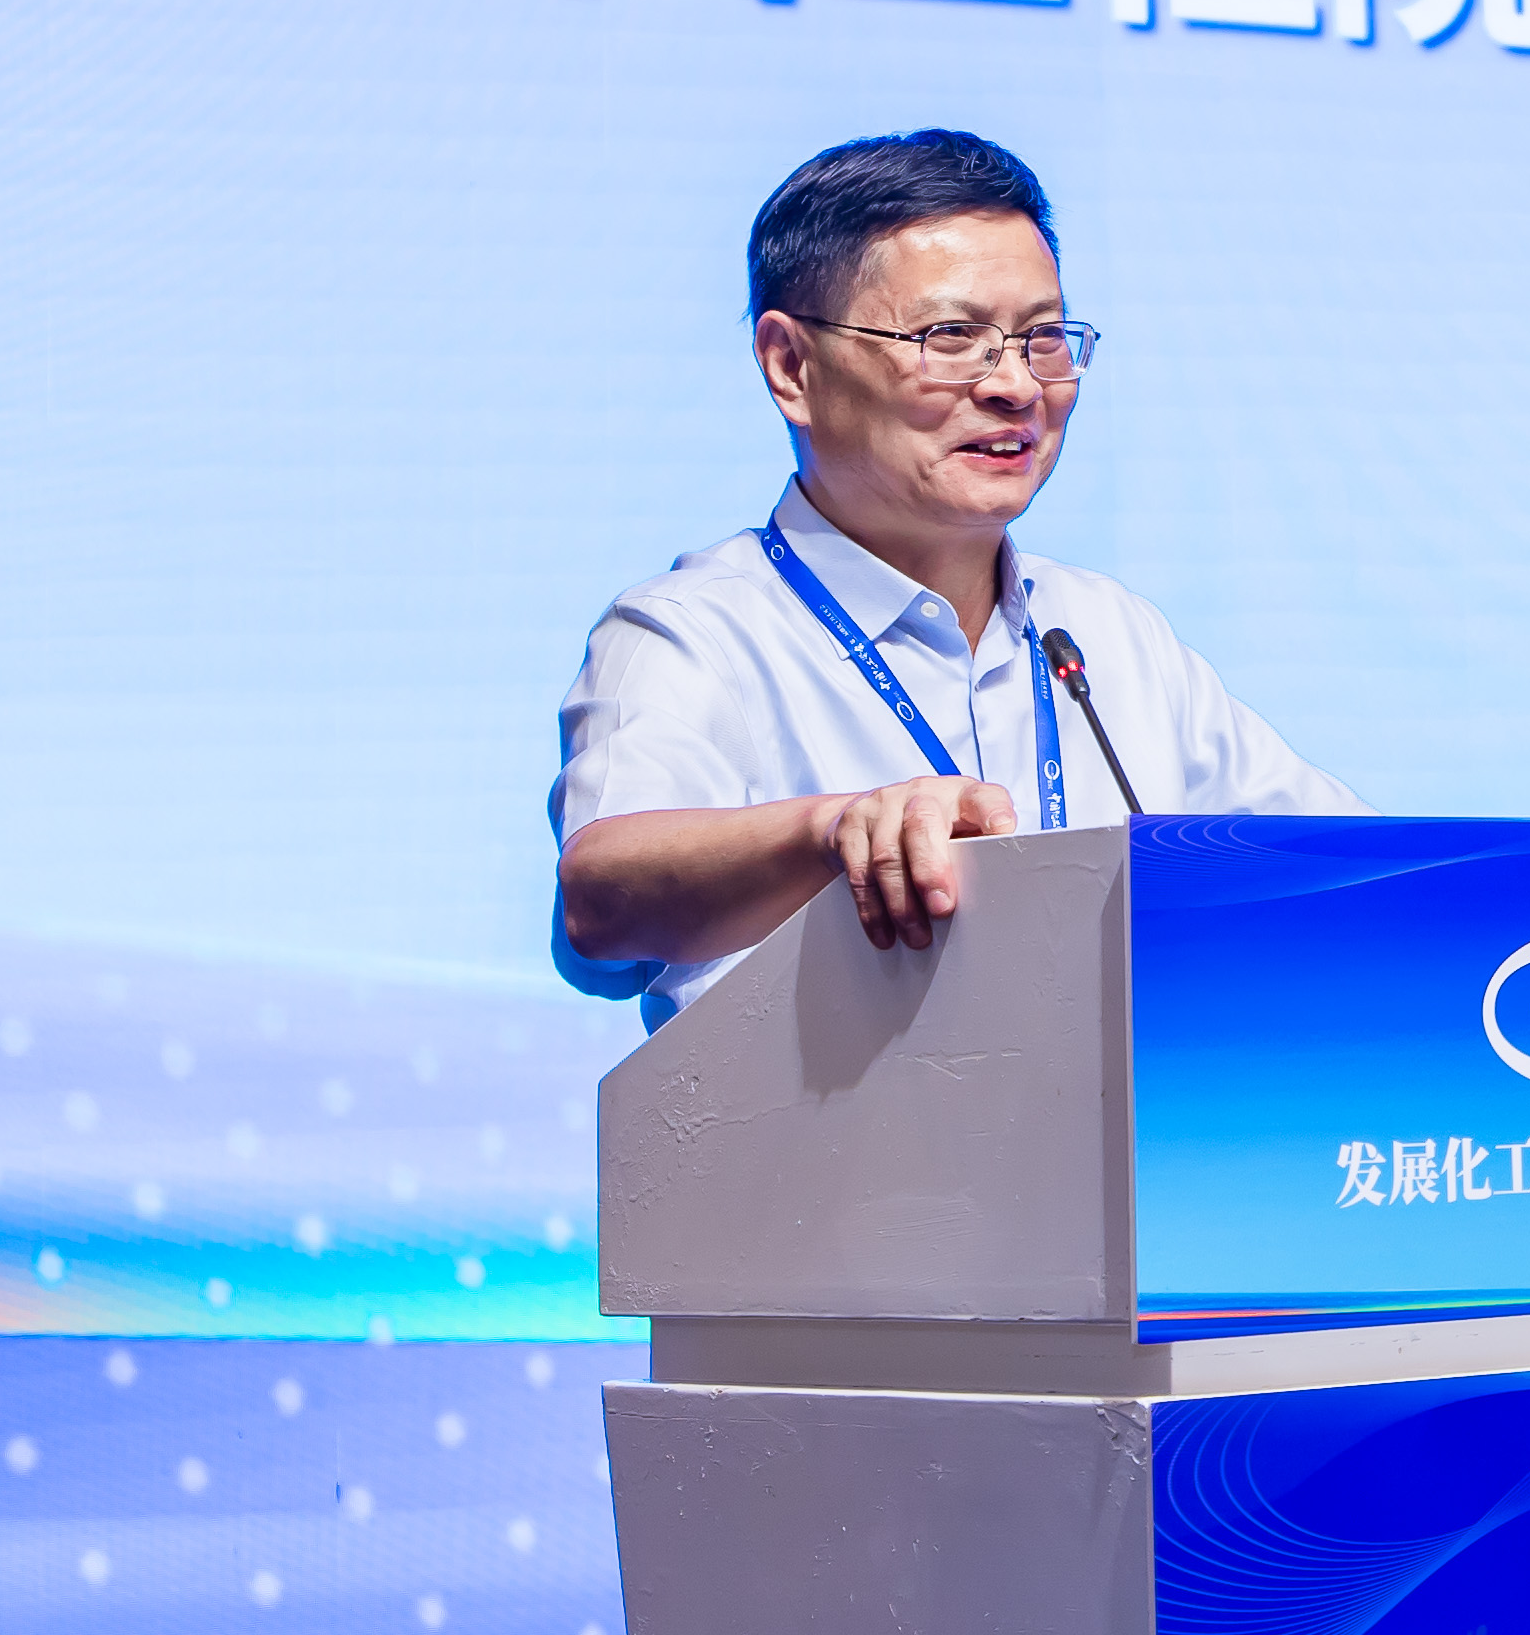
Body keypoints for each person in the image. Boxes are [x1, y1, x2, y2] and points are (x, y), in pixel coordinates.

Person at [551, 129, 1350, 1020]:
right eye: (952, 336)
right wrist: (832, 831)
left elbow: (1353, 874)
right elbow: (599, 903)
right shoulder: (692, 633)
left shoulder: (1107, 633)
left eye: (1042, 338)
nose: (1017, 387)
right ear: (792, 367)